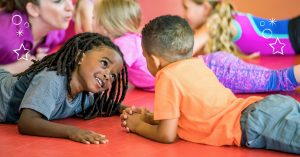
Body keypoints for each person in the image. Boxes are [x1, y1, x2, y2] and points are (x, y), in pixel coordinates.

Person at [120, 15, 300, 154]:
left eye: (144, 56)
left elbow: (167, 135)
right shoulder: (197, 64)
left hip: (255, 123)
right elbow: (186, 116)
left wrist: (137, 126)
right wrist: (149, 117)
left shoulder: (166, 76)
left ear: (154, 60)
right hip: (264, 108)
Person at [92, 0, 299, 93]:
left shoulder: (124, 43)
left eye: (186, 7)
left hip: (215, 70)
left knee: (276, 80)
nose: (184, 12)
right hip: (211, 69)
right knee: (274, 80)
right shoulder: (132, 40)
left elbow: (114, 64)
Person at [0, 32, 128, 144]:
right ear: (79, 57)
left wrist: (124, 109)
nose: (107, 75)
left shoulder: (84, 96)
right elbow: (27, 122)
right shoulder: (53, 79)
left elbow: (102, 104)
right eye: (104, 63)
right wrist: (73, 132)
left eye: (112, 75)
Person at [182, 0, 300, 57]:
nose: (184, 15)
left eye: (186, 8)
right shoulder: (224, 22)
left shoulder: (215, 25)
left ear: (206, 8)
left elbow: (181, 53)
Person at [0, 0, 74, 74]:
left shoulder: (56, 33)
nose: (71, 7)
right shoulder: (4, 35)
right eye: (58, 1)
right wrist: (11, 69)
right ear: (33, 9)